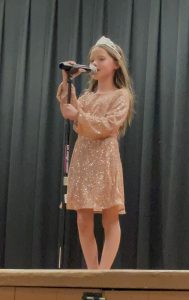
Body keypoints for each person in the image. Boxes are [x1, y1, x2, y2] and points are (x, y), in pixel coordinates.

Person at [56, 36, 134, 269]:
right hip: (83, 155)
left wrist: (79, 116)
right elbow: (68, 110)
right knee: (82, 219)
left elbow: (108, 125)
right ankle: (91, 273)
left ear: (116, 64)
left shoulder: (121, 95)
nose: (95, 63)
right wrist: (67, 79)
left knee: (109, 217)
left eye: (101, 58)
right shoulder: (87, 96)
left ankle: (103, 273)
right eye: (92, 59)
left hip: (105, 156)